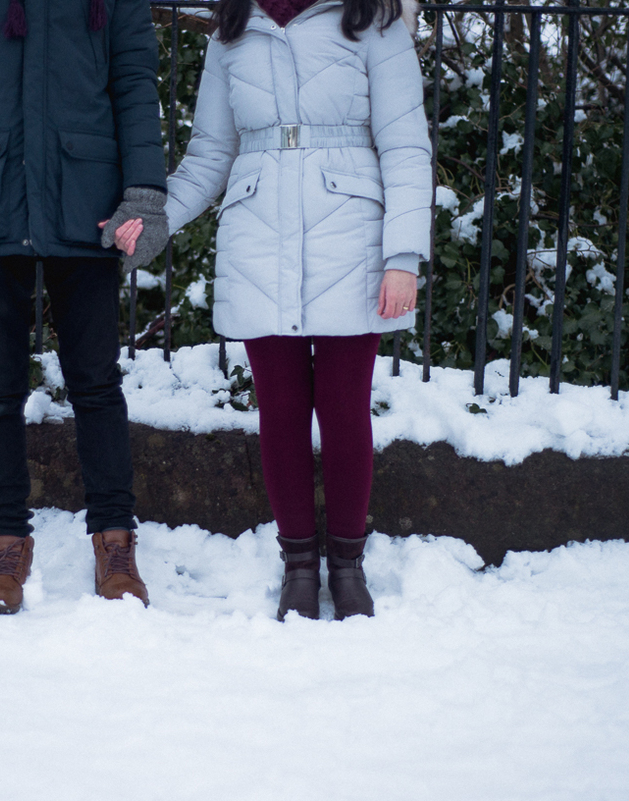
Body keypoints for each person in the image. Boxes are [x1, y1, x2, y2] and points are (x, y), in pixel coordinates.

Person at [108, 0, 429, 620]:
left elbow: (406, 146)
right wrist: (155, 222)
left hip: (353, 238)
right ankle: (299, 567)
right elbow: (208, 155)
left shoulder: (373, 20)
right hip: (257, 236)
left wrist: (404, 256)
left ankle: (347, 564)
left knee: (343, 411)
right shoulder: (232, 30)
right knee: (280, 411)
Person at [0, 0, 170, 614]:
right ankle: (7, 548)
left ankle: (115, 545)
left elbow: (132, 73)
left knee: (97, 381)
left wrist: (145, 191)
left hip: (86, 190)